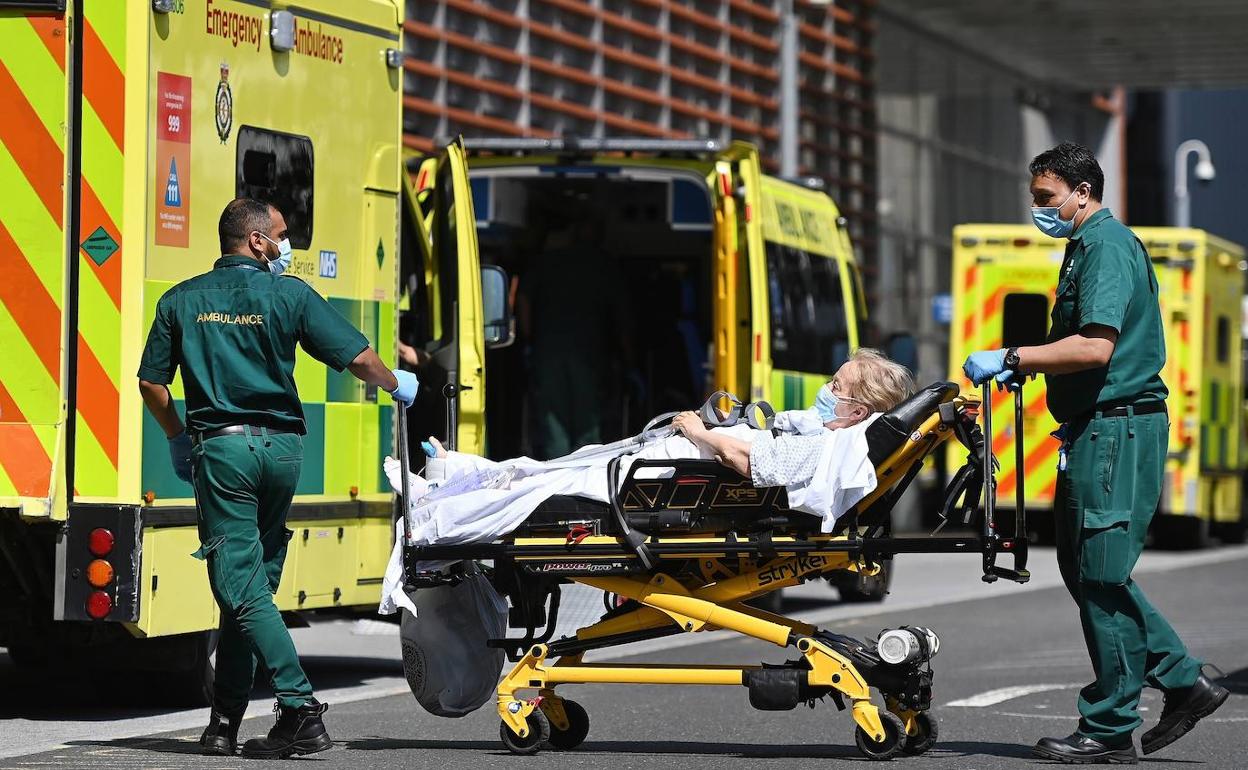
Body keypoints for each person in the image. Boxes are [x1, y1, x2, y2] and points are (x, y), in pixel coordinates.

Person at [963, 143, 1227, 764]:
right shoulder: (1084, 246)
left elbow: (1095, 348)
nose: (1039, 211)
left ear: (1083, 192)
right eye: (1035, 200)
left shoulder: (1106, 247)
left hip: (1117, 428)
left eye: (1047, 199)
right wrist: (1030, 366)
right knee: (1087, 572)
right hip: (1097, 428)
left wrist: (1014, 356)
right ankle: (1184, 683)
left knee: (1102, 575)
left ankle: (1109, 727)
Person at [137, 198, 419, 759]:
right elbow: (358, 357)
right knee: (251, 588)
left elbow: (152, 385)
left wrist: (175, 436)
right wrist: (396, 385)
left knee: (238, 586)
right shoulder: (289, 295)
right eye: (284, 235)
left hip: (224, 454)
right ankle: (224, 722)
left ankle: (300, 708)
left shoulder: (181, 299)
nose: (290, 244)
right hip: (284, 454)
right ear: (258, 241)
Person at [673, 348, 915, 481]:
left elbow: (744, 458)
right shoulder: (818, 432)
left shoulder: (822, 447)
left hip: (676, 462)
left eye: (835, 386)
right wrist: (727, 424)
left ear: (857, 411)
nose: (826, 388)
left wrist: (698, 432)